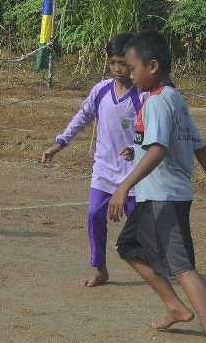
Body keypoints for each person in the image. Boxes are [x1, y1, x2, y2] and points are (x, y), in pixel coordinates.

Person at [108, 31, 206, 343]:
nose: (129, 74)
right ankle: (174, 307)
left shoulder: (158, 101)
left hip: (163, 198)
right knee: (129, 247)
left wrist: (123, 186)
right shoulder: (175, 98)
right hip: (156, 198)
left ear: (153, 66)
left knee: (183, 269)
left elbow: (160, 149)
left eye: (133, 67)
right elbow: (196, 145)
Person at [42, 33, 141, 288]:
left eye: (123, 63)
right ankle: (100, 269)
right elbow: (82, 117)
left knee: (142, 226)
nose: (118, 69)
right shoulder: (101, 90)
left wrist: (135, 147)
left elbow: (151, 132)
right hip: (104, 172)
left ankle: (162, 265)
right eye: (113, 63)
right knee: (94, 215)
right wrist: (60, 143)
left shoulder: (142, 96)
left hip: (133, 176)